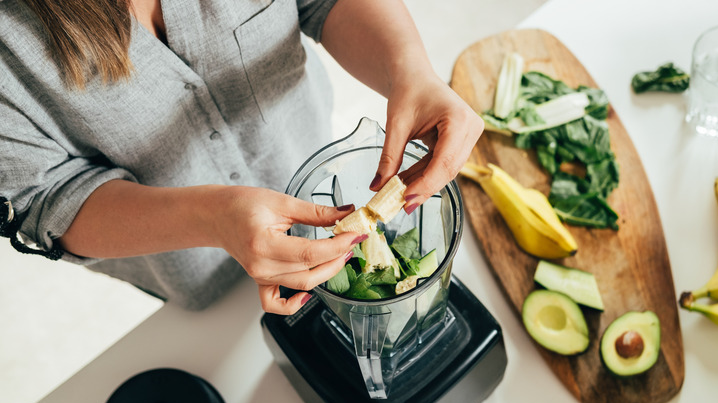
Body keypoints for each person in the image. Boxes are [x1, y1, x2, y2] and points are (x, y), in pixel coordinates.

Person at [0, 0, 483, 315]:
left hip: (302, 148)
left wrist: (411, 70)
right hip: (186, 263)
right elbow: (44, 198)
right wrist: (212, 218)